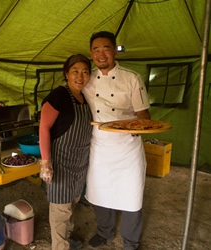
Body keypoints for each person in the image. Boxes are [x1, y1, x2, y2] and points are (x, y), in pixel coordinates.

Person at [82, 31, 151, 250]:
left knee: (132, 195)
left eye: (106, 48)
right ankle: (105, 232)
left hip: (127, 148)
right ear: (91, 53)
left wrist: (136, 129)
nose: (101, 54)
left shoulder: (131, 78)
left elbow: (144, 115)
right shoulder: (87, 79)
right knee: (99, 192)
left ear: (114, 50)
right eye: (96, 49)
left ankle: (131, 242)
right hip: (99, 147)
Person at [39, 54, 93, 250]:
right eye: (75, 72)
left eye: (85, 72)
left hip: (79, 164)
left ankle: (67, 239)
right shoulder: (58, 97)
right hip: (61, 164)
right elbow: (43, 127)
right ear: (66, 74)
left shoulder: (85, 97)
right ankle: (60, 246)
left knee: (71, 205)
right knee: (60, 211)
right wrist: (45, 162)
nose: (80, 77)